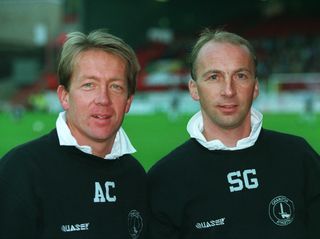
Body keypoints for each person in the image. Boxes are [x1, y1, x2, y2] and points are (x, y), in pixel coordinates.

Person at [148, 28, 320, 239]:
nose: (228, 90)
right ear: (193, 88)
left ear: (255, 87)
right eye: (214, 77)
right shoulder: (165, 178)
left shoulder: (299, 157)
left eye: (240, 75)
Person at [0, 29, 147, 239]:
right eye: (89, 85)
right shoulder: (20, 171)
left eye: (115, 86)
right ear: (65, 96)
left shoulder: (135, 176)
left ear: (128, 102)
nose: (103, 99)